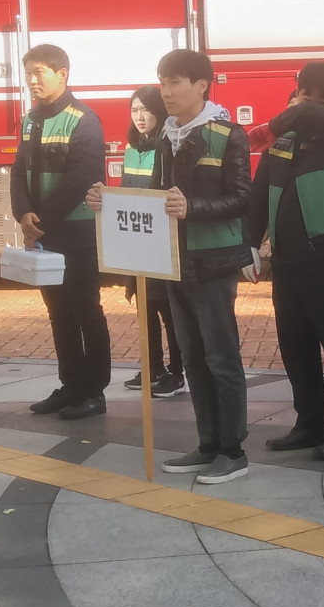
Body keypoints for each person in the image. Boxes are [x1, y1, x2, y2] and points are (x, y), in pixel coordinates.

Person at [91, 49, 254, 482]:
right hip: (173, 261)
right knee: (194, 358)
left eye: (175, 82)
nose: (166, 91)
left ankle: (233, 451)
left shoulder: (227, 134)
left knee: (221, 357)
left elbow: (242, 197)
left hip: (214, 261)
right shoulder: (167, 135)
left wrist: (193, 207)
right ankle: (208, 443)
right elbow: (153, 195)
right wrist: (107, 202)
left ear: (203, 85)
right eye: (162, 81)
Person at [250, 60, 324, 461]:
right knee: (295, 346)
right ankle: (310, 422)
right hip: (287, 258)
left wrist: (281, 117)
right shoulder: (288, 136)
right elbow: (259, 188)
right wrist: (250, 242)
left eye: (300, 92)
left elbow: (312, 111)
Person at [12, 44, 112, 420]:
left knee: (86, 309)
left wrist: (42, 220)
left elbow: (81, 178)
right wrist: (22, 212)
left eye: (39, 73)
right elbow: (19, 170)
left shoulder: (83, 119)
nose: (32, 81)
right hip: (46, 232)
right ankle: (70, 385)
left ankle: (94, 391)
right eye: (29, 74)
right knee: (58, 313)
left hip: (77, 232)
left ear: (62, 74)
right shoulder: (30, 119)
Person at [119, 86, 184, 397]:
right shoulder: (132, 148)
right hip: (137, 243)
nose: (140, 116)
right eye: (134, 110)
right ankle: (153, 367)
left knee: (168, 310)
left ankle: (177, 372)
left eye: (145, 109)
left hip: (161, 243)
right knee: (145, 307)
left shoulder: (167, 145)